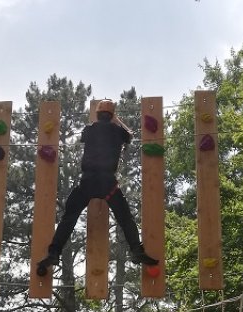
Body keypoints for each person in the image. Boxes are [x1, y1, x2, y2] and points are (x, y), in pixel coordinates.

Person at [36, 99, 159, 276]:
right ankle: (136, 249)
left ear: (98, 114)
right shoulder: (117, 131)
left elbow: (83, 137)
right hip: (107, 182)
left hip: (87, 182)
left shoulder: (90, 129)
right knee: (124, 217)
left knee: (69, 217)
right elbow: (129, 135)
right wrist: (116, 120)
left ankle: (54, 252)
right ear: (111, 115)